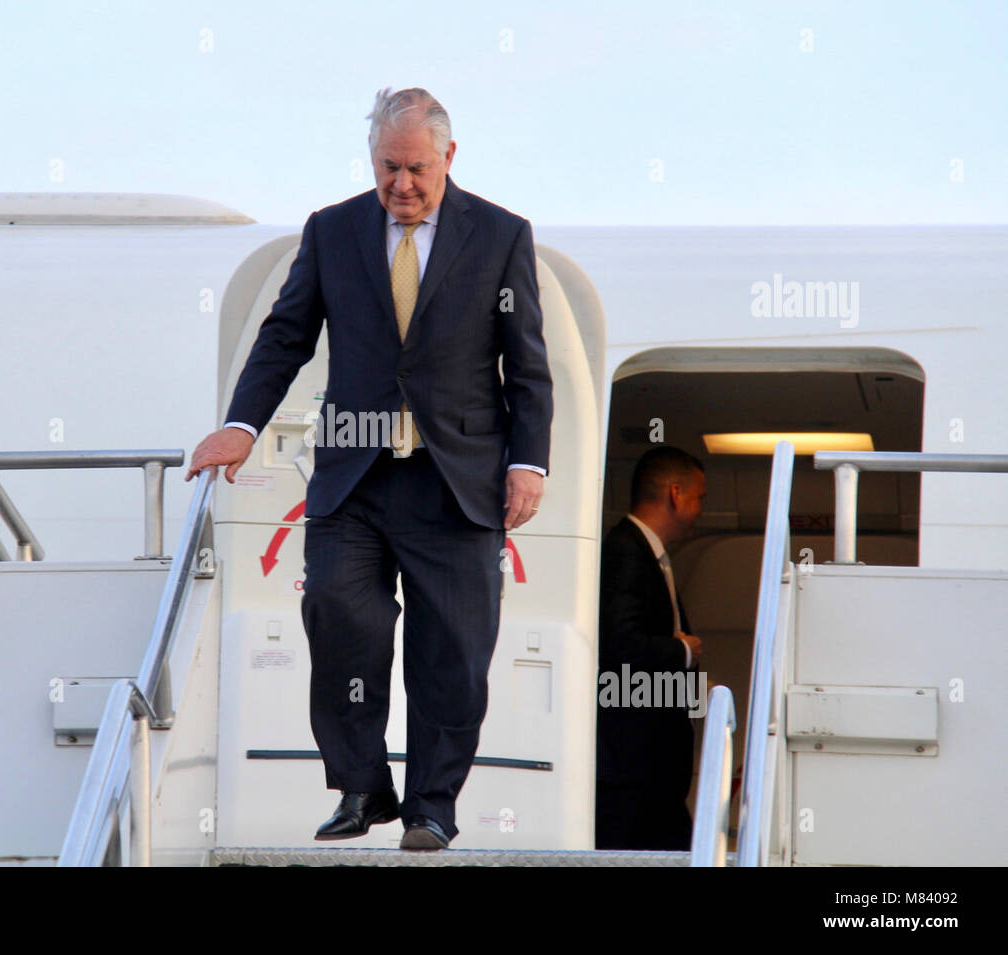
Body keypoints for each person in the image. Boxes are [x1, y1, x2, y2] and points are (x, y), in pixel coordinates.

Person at [186, 87, 553, 850]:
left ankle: (431, 806)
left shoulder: (500, 236)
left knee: (451, 650)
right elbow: (285, 336)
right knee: (335, 609)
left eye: (417, 168)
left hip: (457, 482)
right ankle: (361, 786)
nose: (403, 185)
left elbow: (527, 368)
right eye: (389, 167)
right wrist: (240, 425)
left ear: (448, 157)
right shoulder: (332, 232)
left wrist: (529, 463)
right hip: (355, 479)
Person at [596, 445, 706, 850]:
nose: (700, 509)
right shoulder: (626, 552)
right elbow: (620, 644)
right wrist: (684, 652)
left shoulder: (649, 555)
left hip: (649, 770)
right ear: (675, 494)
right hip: (632, 765)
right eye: (698, 498)